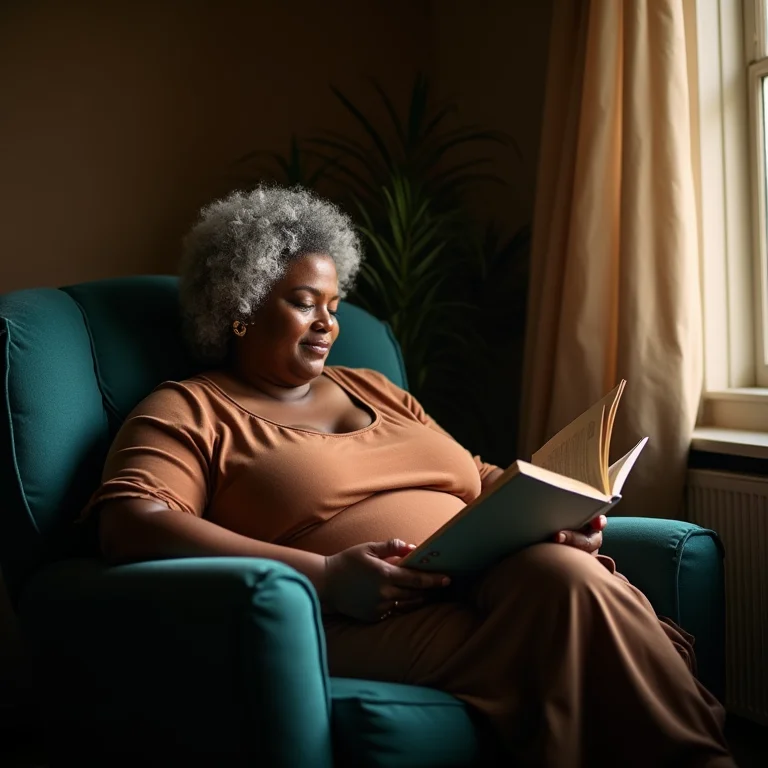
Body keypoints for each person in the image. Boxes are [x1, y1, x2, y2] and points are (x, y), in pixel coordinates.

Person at [88, 184, 734, 766]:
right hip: (354, 614)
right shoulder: (190, 408)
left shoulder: (375, 388)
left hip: (488, 579)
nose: (328, 324)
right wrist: (326, 576)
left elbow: (476, 476)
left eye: (335, 305)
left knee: (564, 570)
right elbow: (130, 522)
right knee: (570, 611)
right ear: (241, 307)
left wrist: (555, 515)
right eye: (303, 303)